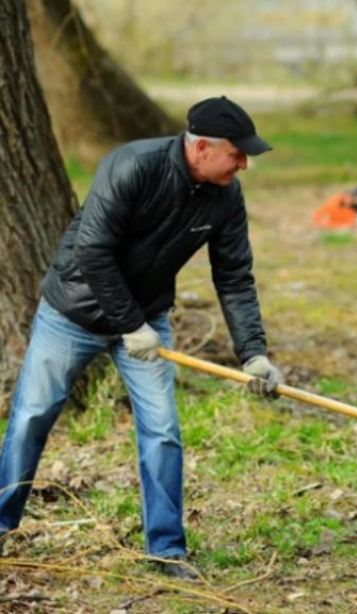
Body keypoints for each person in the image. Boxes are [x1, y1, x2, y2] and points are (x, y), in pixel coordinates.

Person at [0, 97, 283, 579]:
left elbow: (235, 276)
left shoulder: (225, 196)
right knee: (31, 417)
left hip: (147, 321)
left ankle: (166, 550)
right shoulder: (132, 165)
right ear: (201, 147)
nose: (244, 163)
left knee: (163, 430)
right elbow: (93, 251)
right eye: (237, 153)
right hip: (74, 313)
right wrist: (130, 325)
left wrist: (253, 354)